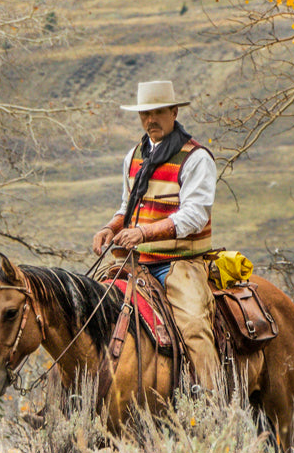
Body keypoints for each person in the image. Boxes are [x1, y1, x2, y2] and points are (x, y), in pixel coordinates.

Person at [92, 80, 219, 394]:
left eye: (158, 112)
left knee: (193, 326)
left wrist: (143, 232)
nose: (150, 120)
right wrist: (111, 228)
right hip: (135, 263)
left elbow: (194, 215)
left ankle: (216, 403)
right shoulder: (134, 157)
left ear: (174, 112)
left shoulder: (196, 158)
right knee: (92, 313)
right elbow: (128, 207)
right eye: (145, 114)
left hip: (180, 263)